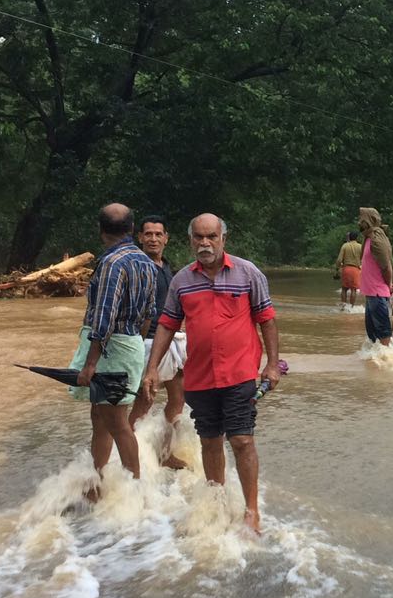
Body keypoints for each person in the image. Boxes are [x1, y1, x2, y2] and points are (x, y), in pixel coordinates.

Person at [144, 213, 281, 535]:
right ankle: (217, 503)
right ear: (190, 240)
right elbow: (167, 324)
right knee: (210, 441)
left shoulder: (248, 273)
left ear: (223, 239)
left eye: (211, 237)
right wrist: (152, 369)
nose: (205, 243)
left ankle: (251, 511)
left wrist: (272, 364)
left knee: (242, 439)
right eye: (199, 237)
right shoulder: (181, 281)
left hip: (240, 373)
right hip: (200, 376)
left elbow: (267, 319)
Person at [66, 203, 157, 495]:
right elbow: (149, 314)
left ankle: (135, 492)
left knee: (117, 422)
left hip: (110, 350)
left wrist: (90, 364)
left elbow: (104, 318)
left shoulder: (111, 263)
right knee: (100, 417)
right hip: (130, 345)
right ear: (132, 229)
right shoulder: (146, 262)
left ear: (100, 230)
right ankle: (96, 483)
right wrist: (135, 346)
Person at [127, 215, 188, 469]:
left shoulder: (166, 267)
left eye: (158, 234)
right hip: (148, 342)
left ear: (166, 238)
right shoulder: (137, 267)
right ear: (140, 237)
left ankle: (164, 453)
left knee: (178, 398)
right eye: (148, 234)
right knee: (144, 401)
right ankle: (125, 457)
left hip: (172, 339)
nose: (153, 239)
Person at [359, 207, 393, 347]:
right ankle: (376, 359)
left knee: (382, 331)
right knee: (372, 333)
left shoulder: (377, 239)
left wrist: (389, 284)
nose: (359, 222)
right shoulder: (368, 238)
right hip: (370, 293)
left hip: (377, 291)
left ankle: (387, 357)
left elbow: (386, 266)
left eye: (362, 219)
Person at [335, 231, 362, 308]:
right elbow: (363, 258)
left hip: (346, 269)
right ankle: (351, 307)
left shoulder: (345, 246)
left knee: (344, 289)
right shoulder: (360, 246)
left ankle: (343, 306)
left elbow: (339, 260)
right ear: (357, 238)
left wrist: (337, 268)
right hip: (356, 270)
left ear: (349, 237)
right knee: (353, 289)